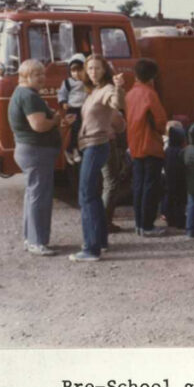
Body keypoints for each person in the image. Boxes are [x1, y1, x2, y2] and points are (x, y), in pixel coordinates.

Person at [8, 59, 70, 256]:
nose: (42, 78)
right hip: (36, 151)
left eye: (43, 74)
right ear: (26, 76)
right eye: (37, 75)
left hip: (28, 150)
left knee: (33, 195)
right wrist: (56, 120)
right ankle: (37, 242)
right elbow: (39, 125)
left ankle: (30, 238)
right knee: (39, 197)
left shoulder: (22, 93)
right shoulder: (29, 96)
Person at [73, 55, 126, 262]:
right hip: (91, 145)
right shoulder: (93, 91)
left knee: (86, 196)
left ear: (105, 70)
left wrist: (119, 87)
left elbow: (117, 103)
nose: (93, 72)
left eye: (97, 68)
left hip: (96, 145)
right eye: (90, 68)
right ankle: (101, 241)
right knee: (92, 195)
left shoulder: (107, 90)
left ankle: (90, 248)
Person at [125, 58, 169, 237]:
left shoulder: (129, 94)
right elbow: (160, 121)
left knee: (138, 186)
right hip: (150, 144)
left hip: (135, 145)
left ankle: (138, 224)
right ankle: (147, 225)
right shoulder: (150, 94)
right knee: (151, 187)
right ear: (152, 75)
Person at [57, 52, 87, 164]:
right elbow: (61, 94)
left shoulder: (87, 82)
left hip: (85, 109)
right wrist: (63, 102)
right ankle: (72, 149)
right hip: (73, 109)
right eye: (73, 71)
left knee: (84, 130)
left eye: (80, 70)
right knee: (75, 128)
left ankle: (77, 150)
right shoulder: (67, 83)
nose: (77, 74)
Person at [163, 123, 188, 229]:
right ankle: (180, 221)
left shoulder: (167, 151)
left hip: (168, 177)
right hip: (181, 179)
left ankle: (170, 218)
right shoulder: (182, 152)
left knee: (169, 198)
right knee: (180, 201)